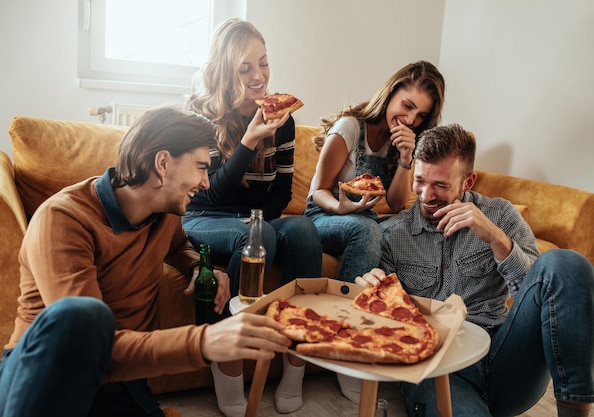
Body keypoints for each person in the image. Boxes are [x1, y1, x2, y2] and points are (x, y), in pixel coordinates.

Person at [0, 105, 293, 417]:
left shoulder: (165, 213)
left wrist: (198, 266)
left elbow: (179, 246)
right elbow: (86, 345)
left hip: (119, 382)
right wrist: (203, 342)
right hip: (42, 377)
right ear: (162, 163)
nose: (207, 182)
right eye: (201, 167)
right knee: (85, 316)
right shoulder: (64, 219)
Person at [357, 123, 594, 417]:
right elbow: (387, 324)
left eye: (441, 185)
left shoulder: (501, 215)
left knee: (567, 264)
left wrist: (496, 238)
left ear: (468, 182)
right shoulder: (393, 234)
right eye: (420, 181)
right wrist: (370, 288)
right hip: (438, 369)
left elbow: (539, 292)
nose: (426, 195)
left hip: (504, 356)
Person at [183, 19, 322, 416]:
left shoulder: (285, 120)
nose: (259, 76)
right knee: (259, 237)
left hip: (252, 217)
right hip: (204, 216)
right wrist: (248, 141)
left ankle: (295, 369)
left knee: (303, 229)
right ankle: (228, 371)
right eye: (245, 68)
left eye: (263, 63)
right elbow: (208, 194)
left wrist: (258, 217)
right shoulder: (200, 117)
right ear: (225, 70)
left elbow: (281, 194)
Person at [304, 61, 445, 283]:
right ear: (390, 93)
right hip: (323, 216)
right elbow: (319, 191)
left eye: (421, 116)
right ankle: (348, 310)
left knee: (413, 232)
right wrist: (340, 207)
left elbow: (397, 204)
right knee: (368, 231)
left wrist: (406, 157)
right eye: (407, 106)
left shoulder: (401, 140)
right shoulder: (349, 128)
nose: (410, 120)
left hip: (364, 219)